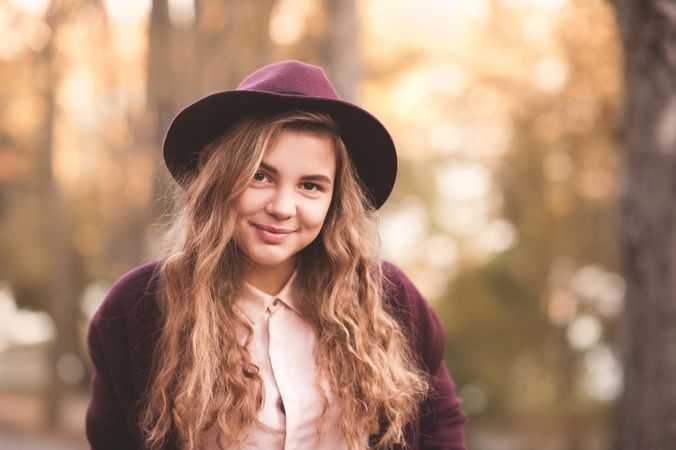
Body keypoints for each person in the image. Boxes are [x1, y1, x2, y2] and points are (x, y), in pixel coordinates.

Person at [85, 60, 467, 450]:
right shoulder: (138, 308)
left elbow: (441, 423)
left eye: (311, 186)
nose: (283, 207)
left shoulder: (388, 300)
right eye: (260, 176)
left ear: (335, 200)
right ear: (220, 178)